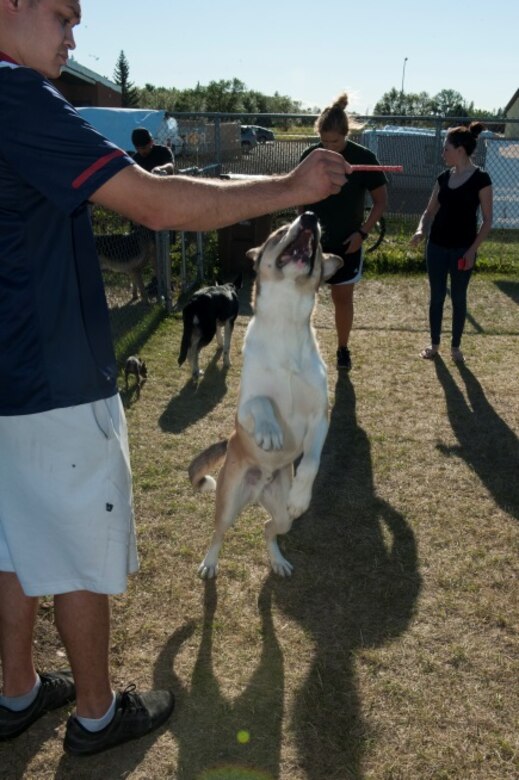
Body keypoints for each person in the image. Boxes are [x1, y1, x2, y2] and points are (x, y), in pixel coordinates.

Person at [0, 0, 351, 758]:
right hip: (51, 379)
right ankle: (96, 715)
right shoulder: (16, 97)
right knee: (73, 554)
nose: (73, 33)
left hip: (9, 375)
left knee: (12, 546)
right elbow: (154, 203)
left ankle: (18, 689)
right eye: (62, 13)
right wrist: (288, 190)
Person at [300, 92, 388, 370]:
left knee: (342, 299)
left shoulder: (364, 158)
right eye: (324, 141)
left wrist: (361, 234)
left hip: (347, 243)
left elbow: (381, 201)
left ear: (346, 135)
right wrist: (302, 233)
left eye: (334, 142)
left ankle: (342, 349)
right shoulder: (311, 156)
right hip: (313, 243)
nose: (328, 147)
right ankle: (302, 350)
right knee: (302, 298)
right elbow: (298, 196)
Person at [411, 122, 493, 362]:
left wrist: (471, 251)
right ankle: (434, 345)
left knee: (458, 298)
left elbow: (487, 220)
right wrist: (420, 230)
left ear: (460, 150)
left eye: (446, 148)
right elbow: (428, 212)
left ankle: (455, 348)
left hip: (463, 251)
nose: (442, 153)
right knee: (436, 297)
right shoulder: (443, 178)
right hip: (436, 247)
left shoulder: (481, 179)